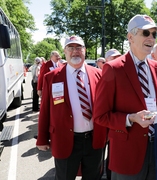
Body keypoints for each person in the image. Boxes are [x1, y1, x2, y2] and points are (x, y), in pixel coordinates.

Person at [93, 14, 157, 180]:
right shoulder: (113, 69)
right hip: (127, 156)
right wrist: (130, 118)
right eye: (145, 33)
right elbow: (100, 116)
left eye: (154, 34)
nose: (151, 38)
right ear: (130, 37)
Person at [36, 35, 106, 180]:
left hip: (95, 140)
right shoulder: (52, 77)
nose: (75, 51)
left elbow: (107, 106)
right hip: (65, 139)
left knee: (94, 177)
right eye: (71, 48)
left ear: (85, 50)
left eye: (79, 47)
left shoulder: (99, 75)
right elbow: (45, 110)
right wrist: (42, 138)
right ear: (65, 51)